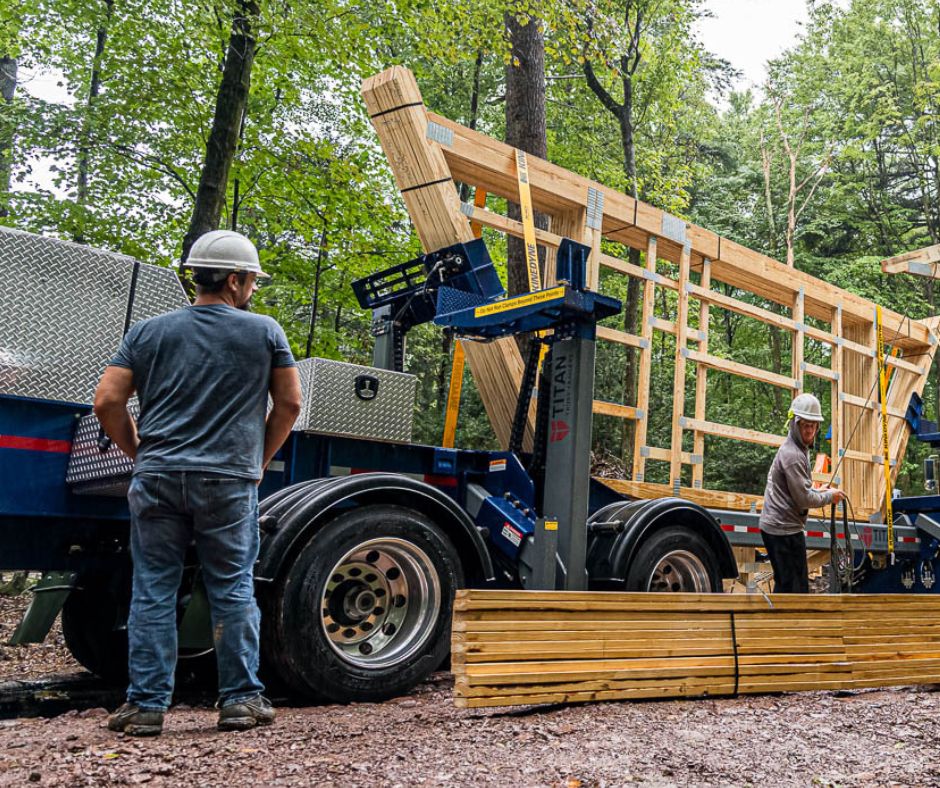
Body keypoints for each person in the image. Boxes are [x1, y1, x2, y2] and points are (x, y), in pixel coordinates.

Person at [93, 230, 302, 736]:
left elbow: (106, 401)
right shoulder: (265, 332)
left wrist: (140, 453)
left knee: (154, 589)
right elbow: (291, 404)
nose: (252, 287)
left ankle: (145, 706)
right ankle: (240, 700)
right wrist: (256, 459)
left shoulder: (147, 332)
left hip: (159, 477)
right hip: (228, 481)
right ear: (234, 279)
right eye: (251, 278)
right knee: (231, 587)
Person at [759, 393, 845, 593]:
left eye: (814, 426)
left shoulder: (799, 449)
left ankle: (783, 621)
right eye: (806, 425)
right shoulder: (793, 455)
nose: (810, 431)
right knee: (794, 590)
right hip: (782, 530)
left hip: (782, 527)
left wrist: (818, 490)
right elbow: (803, 499)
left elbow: (799, 490)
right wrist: (829, 497)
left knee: (790, 585)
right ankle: (785, 623)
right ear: (795, 424)